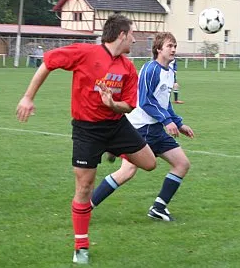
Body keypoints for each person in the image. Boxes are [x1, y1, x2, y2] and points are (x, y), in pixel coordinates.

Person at [16, 14, 156, 265]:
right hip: (87, 130)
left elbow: (129, 106)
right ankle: (81, 245)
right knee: (84, 187)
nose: (134, 40)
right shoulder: (84, 52)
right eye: (132, 35)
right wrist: (28, 97)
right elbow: (48, 62)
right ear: (121, 35)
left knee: (149, 163)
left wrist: (113, 104)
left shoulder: (128, 67)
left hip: (116, 126)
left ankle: (113, 149)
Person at [91, 32, 194, 222]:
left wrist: (178, 123)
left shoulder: (170, 71)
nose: (173, 49)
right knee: (127, 171)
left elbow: (165, 103)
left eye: (175, 46)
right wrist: (166, 121)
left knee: (182, 164)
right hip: (141, 129)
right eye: (170, 46)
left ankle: (158, 207)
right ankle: (88, 205)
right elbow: (145, 101)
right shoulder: (150, 69)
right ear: (158, 49)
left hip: (155, 129)